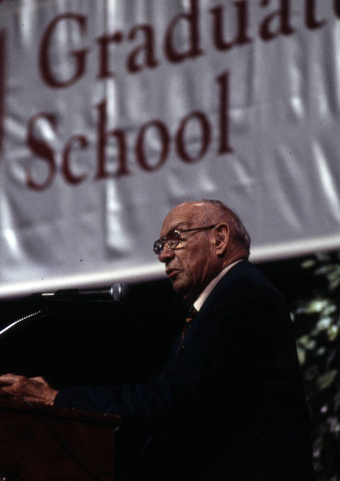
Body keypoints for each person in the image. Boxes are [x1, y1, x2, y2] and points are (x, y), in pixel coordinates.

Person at [0, 199, 316, 481]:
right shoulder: (221, 301)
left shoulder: (242, 294)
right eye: (160, 245)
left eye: (175, 238)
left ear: (219, 238)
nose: (164, 255)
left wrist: (60, 400)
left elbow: (170, 400)